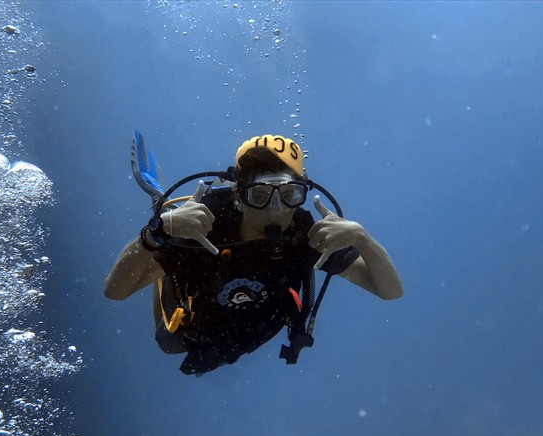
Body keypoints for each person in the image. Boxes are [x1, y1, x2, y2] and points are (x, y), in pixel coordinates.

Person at [104, 134, 402, 375]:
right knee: (167, 343)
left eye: (290, 195)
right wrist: (157, 233)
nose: (276, 209)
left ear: (302, 195)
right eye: (259, 195)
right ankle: (165, 215)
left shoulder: (306, 237)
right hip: (195, 327)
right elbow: (115, 291)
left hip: (248, 336)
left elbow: (390, 291)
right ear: (238, 195)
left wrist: (364, 240)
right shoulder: (205, 227)